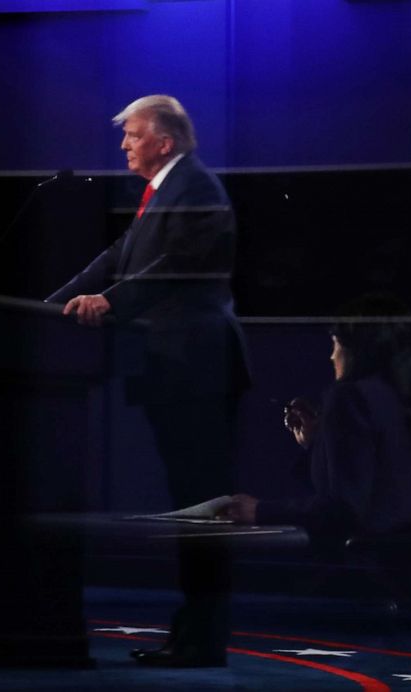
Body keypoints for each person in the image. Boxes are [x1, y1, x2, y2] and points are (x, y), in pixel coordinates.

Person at [47, 95, 250, 667]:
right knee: (192, 509)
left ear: (165, 140)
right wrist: (49, 305)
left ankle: (202, 641)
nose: (124, 145)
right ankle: (192, 635)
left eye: (133, 135)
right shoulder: (165, 192)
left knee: (203, 512)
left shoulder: (198, 188)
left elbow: (173, 271)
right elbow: (117, 258)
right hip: (177, 372)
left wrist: (106, 304)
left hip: (200, 370)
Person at [226, 296, 411, 552]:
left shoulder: (349, 397)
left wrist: (260, 510)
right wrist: (319, 441)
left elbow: (342, 508)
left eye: (335, 343)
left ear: (355, 347)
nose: (331, 356)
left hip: (372, 557)